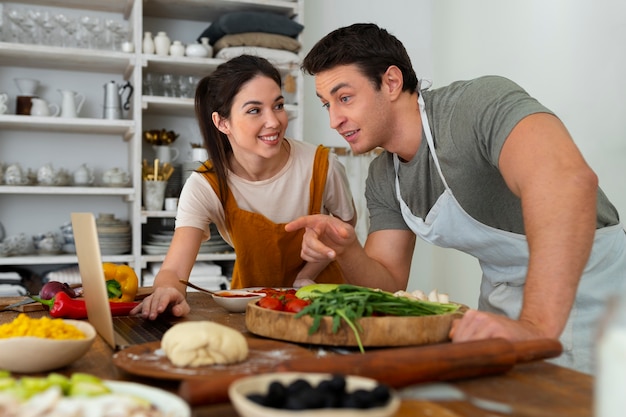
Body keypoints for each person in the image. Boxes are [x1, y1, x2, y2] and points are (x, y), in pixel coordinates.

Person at [285, 23, 626, 374]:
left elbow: (567, 183)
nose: (334, 120)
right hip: (503, 301)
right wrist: (347, 250)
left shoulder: (475, 106)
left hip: (591, 292)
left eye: (344, 98)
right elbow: (387, 280)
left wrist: (535, 327)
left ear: (391, 82)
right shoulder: (385, 175)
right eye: (327, 104)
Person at [134, 55, 356, 320]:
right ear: (222, 122)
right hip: (251, 310)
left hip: (326, 306)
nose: (273, 121)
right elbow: (174, 270)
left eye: (279, 105)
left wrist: (306, 275)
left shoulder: (321, 165)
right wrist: (166, 292)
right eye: (254, 110)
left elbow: (345, 227)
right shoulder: (206, 185)